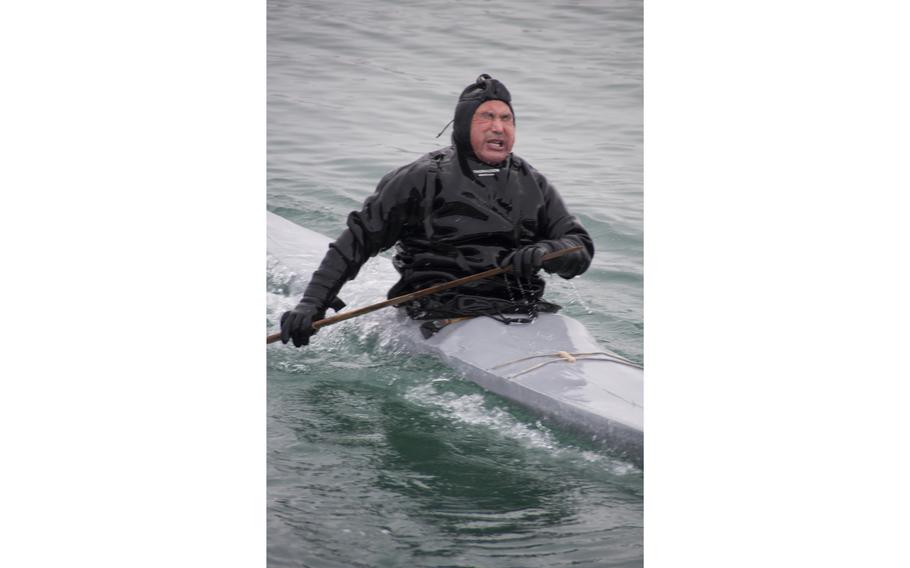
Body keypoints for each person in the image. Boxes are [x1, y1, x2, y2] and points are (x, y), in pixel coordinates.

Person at [280, 74, 595, 347]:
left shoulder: (532, 182)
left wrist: (548, 250)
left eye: (506, 119)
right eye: (486, 117)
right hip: (440, 314)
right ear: (462, 124)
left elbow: (579, 246)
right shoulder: (421, 178)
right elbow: (357, 240)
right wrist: (312, 303)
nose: (498, 128)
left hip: (524, 312)